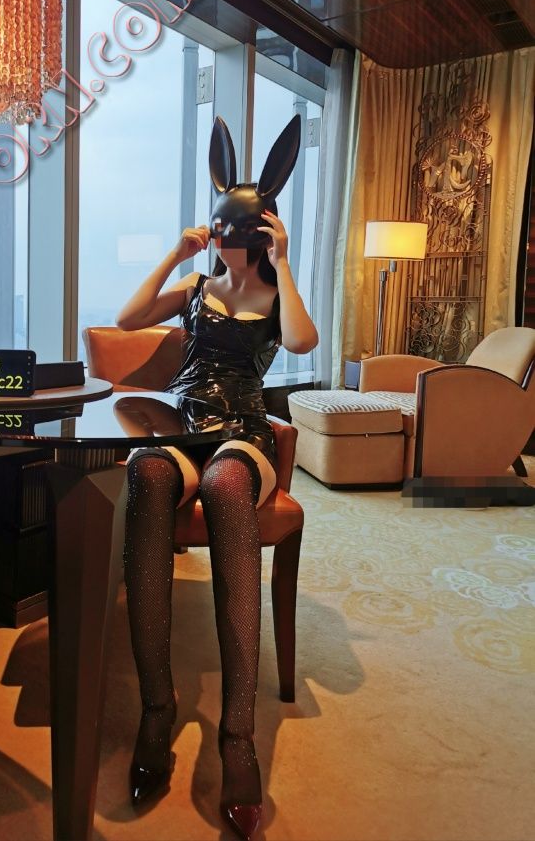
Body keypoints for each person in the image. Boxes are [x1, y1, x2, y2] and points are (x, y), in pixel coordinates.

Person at [115, 115, 318, 840]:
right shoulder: (197, 285)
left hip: (244, 434)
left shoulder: (273, 293)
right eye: (222, 232)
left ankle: (237, 737)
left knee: (229, 487)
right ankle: (157, 709)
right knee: (146, 473)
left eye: (240, 235)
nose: (227, 245)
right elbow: (128, 317)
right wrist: (176, 253)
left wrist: (284, 264)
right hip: (184, 425)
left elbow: (303, 341)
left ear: (261, 236)